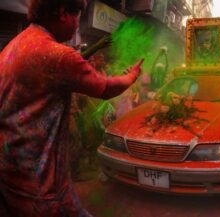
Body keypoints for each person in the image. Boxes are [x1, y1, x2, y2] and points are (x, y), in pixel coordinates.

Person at [0, 0, 143, 216]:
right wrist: (132, 76)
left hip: (10, 181)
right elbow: (105, 88)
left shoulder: (11, 47)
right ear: (61, 12)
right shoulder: (58, 55)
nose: (78, 25)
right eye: (76, 15)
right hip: (43, 191)